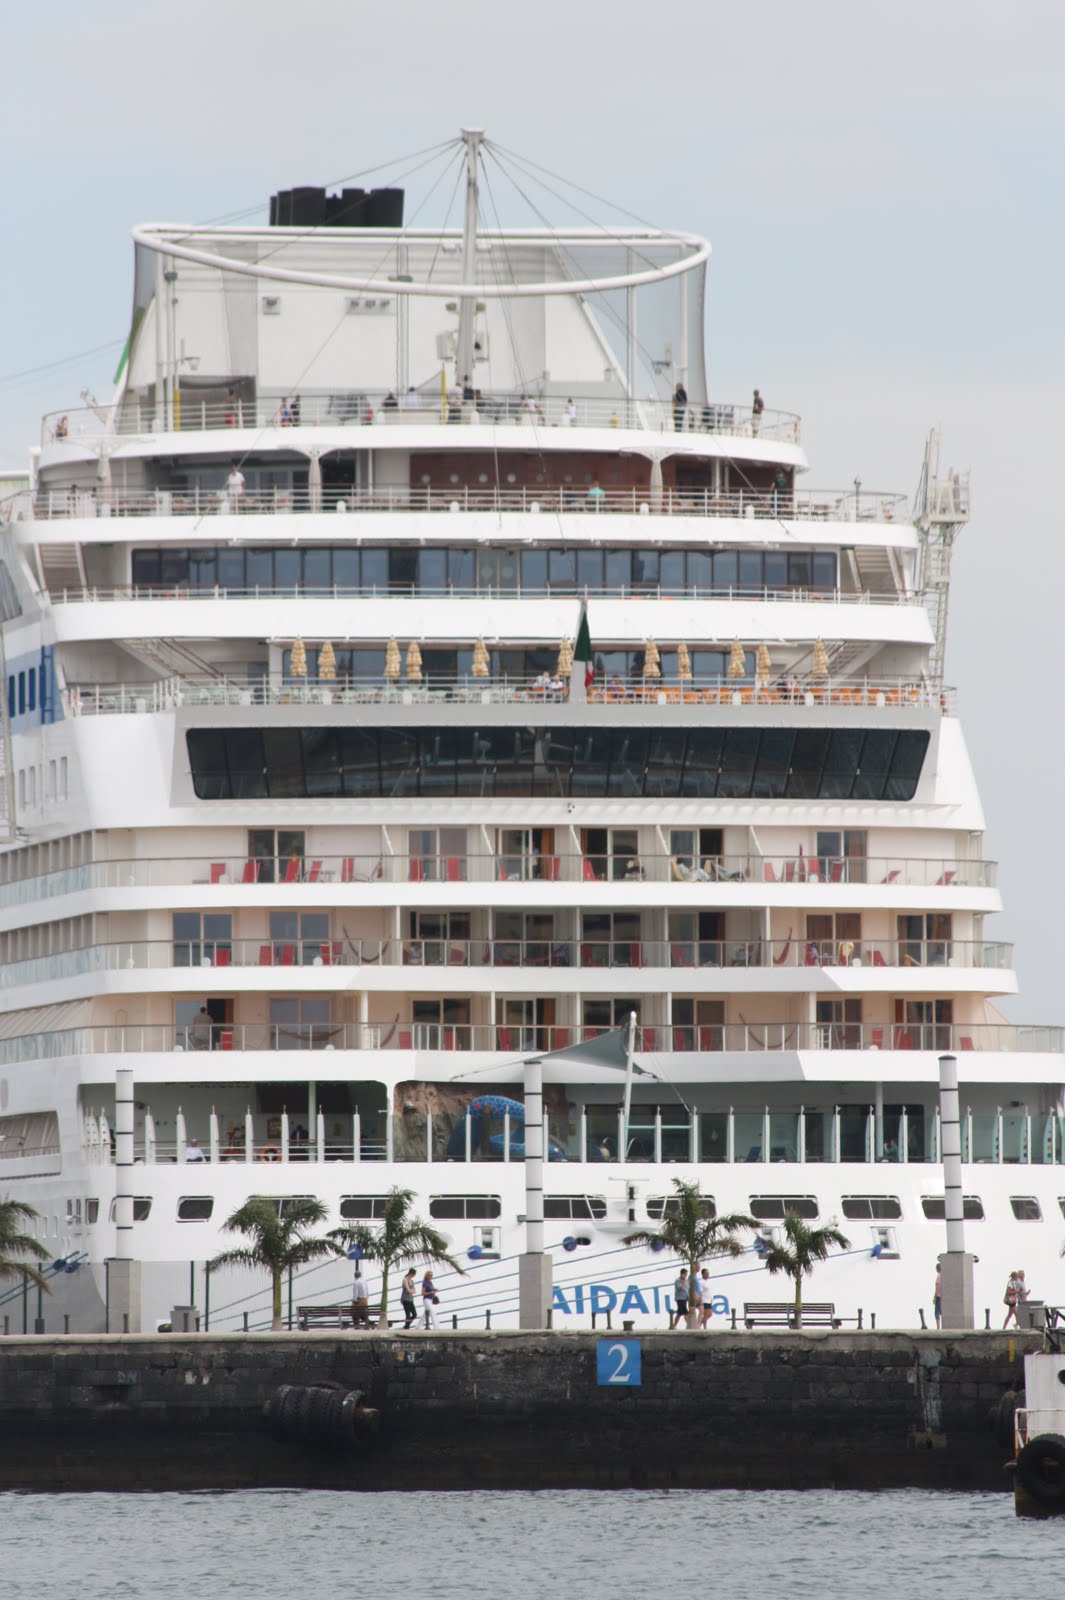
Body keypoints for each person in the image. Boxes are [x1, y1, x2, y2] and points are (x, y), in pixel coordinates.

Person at [933, 1264, 943, 1329]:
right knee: (941, 1311)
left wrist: (934, 1297)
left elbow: (937, 1287)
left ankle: (938, 1327)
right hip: (942, 1296)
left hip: (938, 1296)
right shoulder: (943, 1276)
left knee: (937, 1312)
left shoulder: (939, 1276)